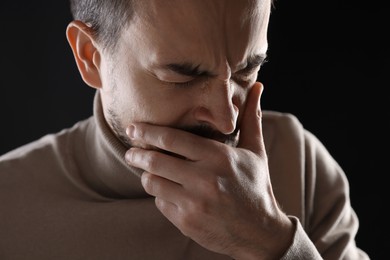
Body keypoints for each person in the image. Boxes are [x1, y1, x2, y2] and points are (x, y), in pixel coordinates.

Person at [0, 0, 370, 259]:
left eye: (246, 71)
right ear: (90, 57)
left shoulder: (299, 161)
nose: (226, 120)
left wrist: (272, 244)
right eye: (182, 77)